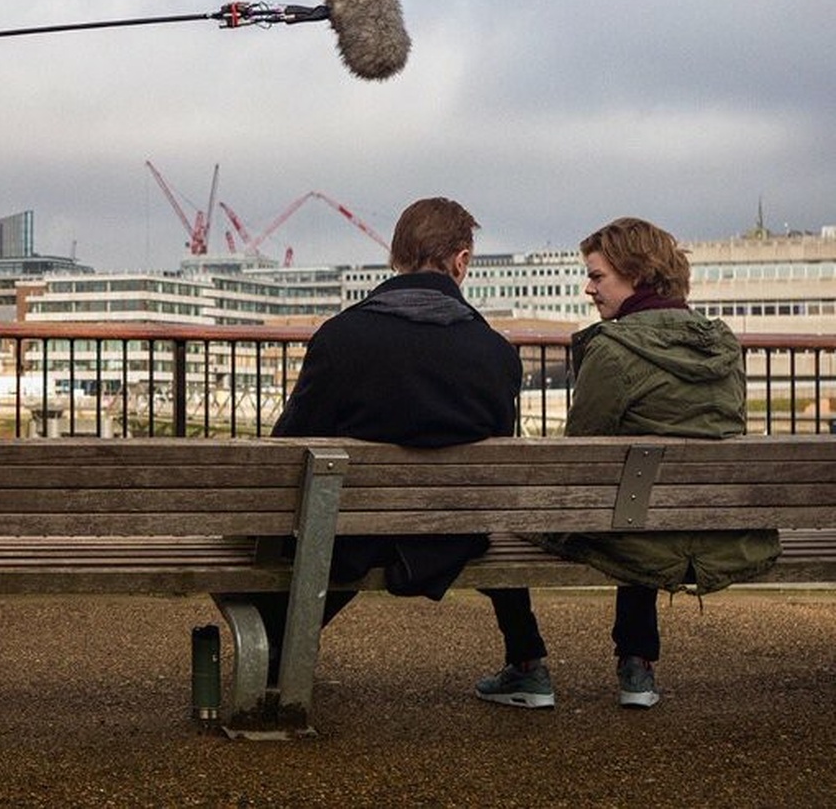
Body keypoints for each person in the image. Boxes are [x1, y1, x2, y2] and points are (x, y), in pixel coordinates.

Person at [476, 217, 780, 711]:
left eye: (597, 276)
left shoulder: (614, 350)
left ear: (636, 275)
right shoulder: (724, 346)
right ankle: (636, 664)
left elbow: (579, 459)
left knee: (501, 522)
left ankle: (526, 663)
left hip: (641, 533)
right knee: (639, 505)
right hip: (720, 534)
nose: (588, 288)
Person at [258, 197, 522, 672]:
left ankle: (272, 650)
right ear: (461, 261)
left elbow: (290, 445)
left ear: (395, 255)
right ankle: (527, 658)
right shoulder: (496, 353)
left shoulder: (341, 338)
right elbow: (497, 453)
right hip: (450, 535)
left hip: (350, 534)